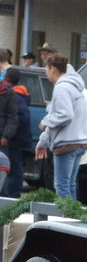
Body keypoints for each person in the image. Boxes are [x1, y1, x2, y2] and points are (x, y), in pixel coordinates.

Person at [36, 54, 87, 200]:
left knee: (62, 185)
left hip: (66, 142)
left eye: (46, 69)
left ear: (53, 68)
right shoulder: (75, 86)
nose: (46, 73)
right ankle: (72, 213)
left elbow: (65, 114)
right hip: (80, 141)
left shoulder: (61, 87)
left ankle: (64, 213)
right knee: (70, 184)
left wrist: (46, 121)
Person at [0, 68, 29, 197]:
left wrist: (6, 136)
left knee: (8, 169)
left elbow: (14, 118)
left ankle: (7, 197)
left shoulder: (10, 93)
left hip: (5, 140)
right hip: (13, 138)